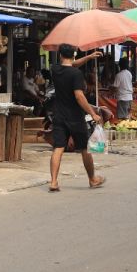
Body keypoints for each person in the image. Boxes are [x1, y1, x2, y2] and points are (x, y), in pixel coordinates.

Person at [43, 44, 107, 192]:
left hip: (59, 116)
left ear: (60, 56)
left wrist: (89, 57)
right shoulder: (76, 74)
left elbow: (70, 64)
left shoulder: (55, 69)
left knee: (58, 148)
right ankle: (92, 179)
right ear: (73, 55)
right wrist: (93, 113)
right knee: (84, 149)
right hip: (76, 117)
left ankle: (53, 182)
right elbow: (79, 96)